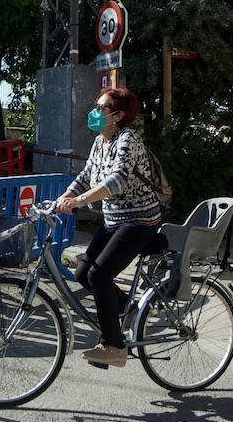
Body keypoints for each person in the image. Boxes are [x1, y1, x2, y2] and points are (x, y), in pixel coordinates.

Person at [54, 86, 163, 367]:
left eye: (101, 108)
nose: (95, 112)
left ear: (118, 115)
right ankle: (129, 306)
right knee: (82, 272)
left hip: (139, 220)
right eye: (97, 106)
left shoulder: (127, 139)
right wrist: (66, 196)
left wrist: (80, 201)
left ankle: (114, 346)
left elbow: (118, 180)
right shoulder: (99, 141)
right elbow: (87, 174)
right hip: (114, 220)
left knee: (100, 276)